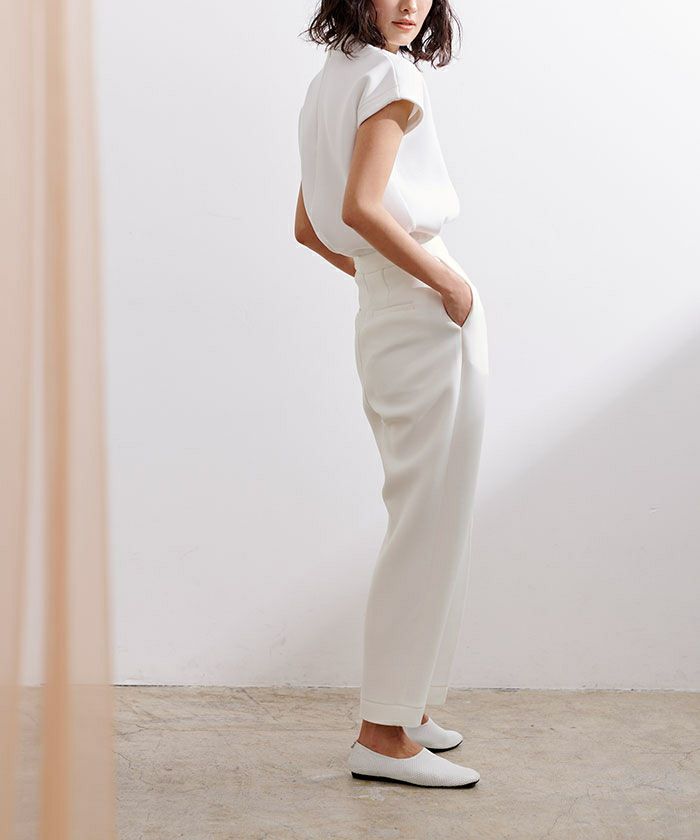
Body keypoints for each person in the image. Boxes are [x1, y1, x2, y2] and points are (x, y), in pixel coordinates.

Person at [295, 0, 488, 788]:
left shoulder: (330, 79)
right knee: (428, 516)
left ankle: (407, 707)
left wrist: (380, 280)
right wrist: (445, 284)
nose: (410, 5)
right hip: (424, 308)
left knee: (427, 509)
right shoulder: (392, 77)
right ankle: (381, 734)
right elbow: (359, 210)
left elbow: (309, 226)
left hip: (387, 309)